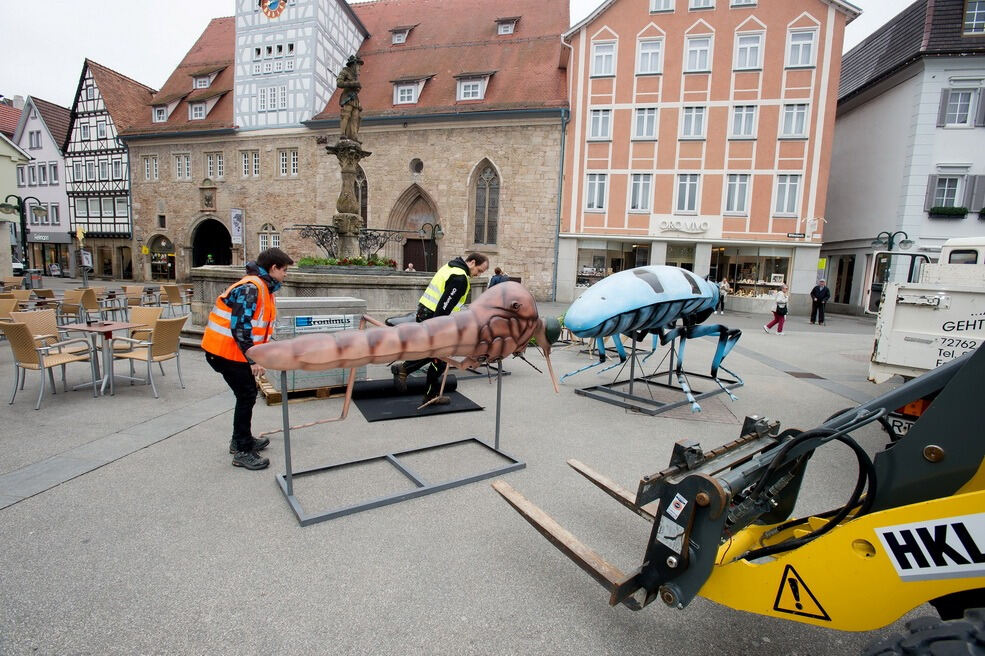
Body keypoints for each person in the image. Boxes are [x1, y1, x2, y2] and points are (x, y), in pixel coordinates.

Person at [201, 248, 294, 470]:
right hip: (224, 352)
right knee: (246, 395)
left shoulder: (262, 287)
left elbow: (256, 327)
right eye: (285, 270)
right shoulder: (251, 288)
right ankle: (242, 450)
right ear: (273, 268)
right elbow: (240, 329)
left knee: (246, 395)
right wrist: (254, 360)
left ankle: (240, 440)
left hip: (229, 351)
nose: (286, 275)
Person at [391, 252, 490, 405]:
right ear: (472, 262)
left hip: (425, 313)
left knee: (437, 356)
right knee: (440, 356)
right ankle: (408, 373)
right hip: (435, 318)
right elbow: (444, 307)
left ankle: (421, 386)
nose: (478, 275)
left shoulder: (450, 267)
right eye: (479, 270)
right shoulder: (460, 278)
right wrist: (439, 328)